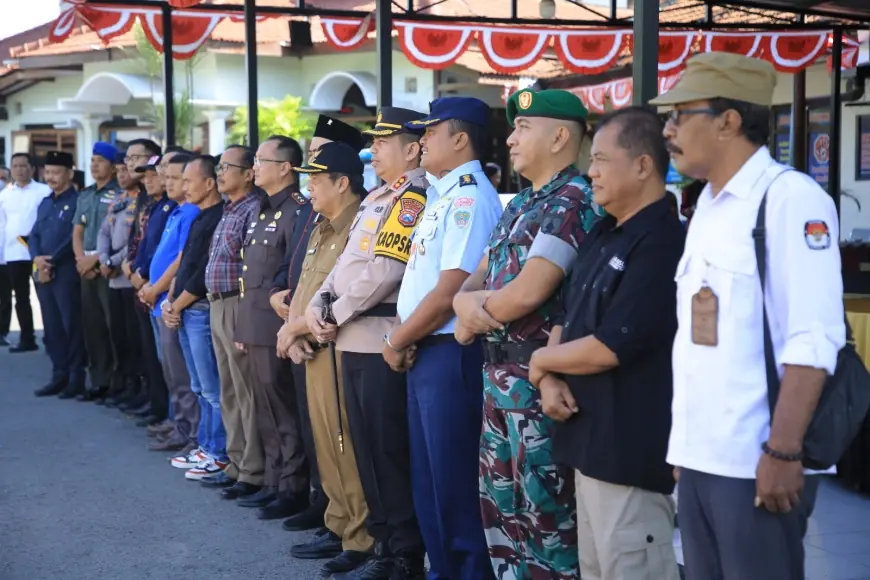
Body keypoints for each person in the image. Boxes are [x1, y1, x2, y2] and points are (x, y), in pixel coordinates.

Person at [651, 52, 845, 580]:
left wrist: (783, 453)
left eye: (679, 115)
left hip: (756, 460)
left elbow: (813, 338)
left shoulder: (788, 199)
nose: (668, 131)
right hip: (701, 457)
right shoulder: (708, 206)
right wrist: (683, 448)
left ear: (728, 121)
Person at [527, 107, 684, 580]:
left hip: (630, 456)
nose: (590, 171)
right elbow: (568, 318)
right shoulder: (604, 231)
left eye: (600, 160)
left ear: (642, 165)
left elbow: (610, 346)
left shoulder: (662, 241)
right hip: (586, 446)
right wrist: (550, 375)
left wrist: (538, 361)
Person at [453, 88, 602, 579]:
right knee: (503, 516)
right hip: (499, 375)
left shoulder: (573, 199)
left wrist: (474, 312)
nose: (511, 139)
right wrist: (466, 306)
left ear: (560, 136)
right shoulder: (522, 203)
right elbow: (469, 283)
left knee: (547, 521)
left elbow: (528, 292)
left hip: (538, 381)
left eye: (523, 128)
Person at [300, 107, 429, 580]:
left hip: (377, 337)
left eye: (382, 142)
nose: (372, 149)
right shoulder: (379, 197)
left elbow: (385, 270)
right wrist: (319, 306)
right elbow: (345, 265)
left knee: (387, 450)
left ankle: (403, 551)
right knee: (364, 450)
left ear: (412, 149)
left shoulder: (412, 196)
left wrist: (331, 312)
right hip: (349, 335)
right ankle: (382, 541)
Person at [386, 97, 503, 580]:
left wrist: (397, 339)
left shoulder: (469, 197)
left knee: (453, 485)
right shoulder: (442, 194)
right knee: (430, 483)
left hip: (449, 351)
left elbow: (451, 289)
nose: (422, 141)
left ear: (459, 139)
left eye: (430, 133)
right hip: (425, 347)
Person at [282, 141, 374, 577]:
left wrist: (298, 329)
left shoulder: (360, 222)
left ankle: (361, 537)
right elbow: (308, 284)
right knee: (326, 442)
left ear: (343, 183)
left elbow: (348, 292)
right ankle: (338, 523)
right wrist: (292, 331)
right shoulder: (323, 224)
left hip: (339, 344)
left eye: (317, 180)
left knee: (344, 442)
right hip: (312, 344)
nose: (309, 188)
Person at [232, 135, 314, 518]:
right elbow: (252, 275)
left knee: (283, 407)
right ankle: (273, 479)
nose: (254, 168)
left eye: (262, 161)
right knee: (264, 407)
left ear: (285, 168)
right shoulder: (263, 208)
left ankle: (293, 486)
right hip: (254, 322)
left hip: (275, 323)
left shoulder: (297, 209)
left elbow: (290, 273)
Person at [197, 145, 264, 494]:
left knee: (246, 390)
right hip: (217, 303)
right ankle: (236, 463)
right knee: (229, 390)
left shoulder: (253, 209)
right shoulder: (228, 208)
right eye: (219, 167)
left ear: (249, 173)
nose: (220, 173)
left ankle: (253, 470)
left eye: (227, 167)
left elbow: (252, 268)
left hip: (238, 304)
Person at [162, 154, 228, 481]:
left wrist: (177, 304)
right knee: (200, 387)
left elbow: (203, 274)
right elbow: (185, 263)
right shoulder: (199, 215)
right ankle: (205, 446)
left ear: (209, 183)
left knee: (212, 389)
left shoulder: (219, 216)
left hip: (200, 309)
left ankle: (218, 452)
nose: (183, 187)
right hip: (185, 309)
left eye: (189, 180)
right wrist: (170, 301)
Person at [142, 154, 201, 453]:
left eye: (178, 178)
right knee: (171, 372)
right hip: (159, 303)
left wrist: (157, 289)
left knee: (183, 375)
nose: (169, 182)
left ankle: (191, 434)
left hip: (169, 303)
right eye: (170, 177)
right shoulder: (176, 211)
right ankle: (180, 424)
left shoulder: (190, 212)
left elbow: (181, 260)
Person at [31, 151, 87, 397]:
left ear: (69, 174)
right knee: (51, 326)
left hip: (65, 272)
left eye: (56, 172)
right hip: (43, 272)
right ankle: (59, 373)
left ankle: (76, 376)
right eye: (48, 172)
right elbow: (33, 234)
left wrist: (49, 262)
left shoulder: (78, 201)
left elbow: (72, 238)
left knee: (71, 325)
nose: (51, 177)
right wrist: (36, 258)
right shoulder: (45, 202)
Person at [96, 154, 143, 410]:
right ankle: (124, 384)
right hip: (112, 278)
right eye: (118, 171)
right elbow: (104, 232)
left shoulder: (140, 203)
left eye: (125, 170)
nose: (122, 175)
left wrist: (113, 262)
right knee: (119, 337)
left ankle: (138, 387)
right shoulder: (118, 201)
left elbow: (135, 240)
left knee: (134, 338)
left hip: (128, 278)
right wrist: (103, 259)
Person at [73, 142, 120, 398]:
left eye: (100, 161)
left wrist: (95, 260)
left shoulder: (119, 194)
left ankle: (118, 381)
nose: (94, 165)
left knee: (113, 325)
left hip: (108, 267)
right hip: (87, 268)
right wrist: (81, 259)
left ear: (113, 167)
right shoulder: (86, 194)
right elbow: (77, 230)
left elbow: (117, 233)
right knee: (92, 327)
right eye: (92, 160)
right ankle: (99, 380)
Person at [0, 153, 50, 351]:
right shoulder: (4, 195)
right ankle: (27, 338)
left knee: (44, 295)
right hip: (14, 255)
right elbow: (2, 227)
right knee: (21, 298)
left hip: (38, 254)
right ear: (10, 169)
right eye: (16, 166)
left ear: (32, 169)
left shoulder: (44, 192)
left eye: (23, 166)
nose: (19, 170)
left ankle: (52, 338)